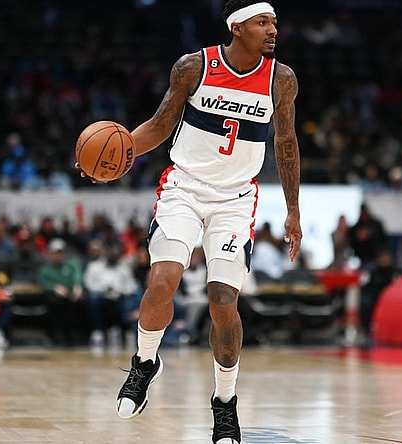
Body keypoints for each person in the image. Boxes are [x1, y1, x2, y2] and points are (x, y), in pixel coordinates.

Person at [77, 2, 302, 442]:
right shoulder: (194, 67)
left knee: (223, 300)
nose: (273, 29)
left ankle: (225, 404)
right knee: (163, 279)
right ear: (237, 27)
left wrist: (293, 211)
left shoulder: (282, 79)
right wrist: (114, 158)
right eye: (262, 22)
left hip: (236, 199)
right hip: (184, 187)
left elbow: (287, 143)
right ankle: (144, 364)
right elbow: (160, 126)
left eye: (273, 22)